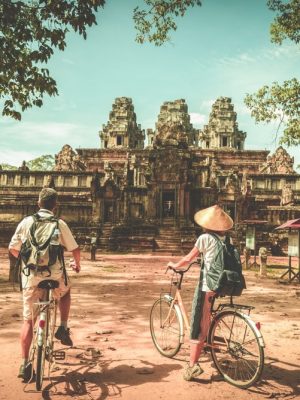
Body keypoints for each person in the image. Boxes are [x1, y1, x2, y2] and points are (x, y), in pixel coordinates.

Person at [9, 188, 81, 381]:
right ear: (55, 206)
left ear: (38, 203)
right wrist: (77, 264)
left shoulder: (26, 222)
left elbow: (12, 248)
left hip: (31, 276)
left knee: (28, 321)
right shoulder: (59, 223)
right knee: (65, 292)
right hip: (55, 276)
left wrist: (26, 261)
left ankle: (24, 363)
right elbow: (75, 249)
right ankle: (63, 327)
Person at [167, 204, 233, 381]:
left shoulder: (204, 238)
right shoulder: (226, 239)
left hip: (209, 284)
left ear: (206, 224)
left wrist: (174, 265)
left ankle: (192, 366)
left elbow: (189, 258)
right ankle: (208, 339)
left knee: (198, 322)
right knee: (207, 316)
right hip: (224, 282)